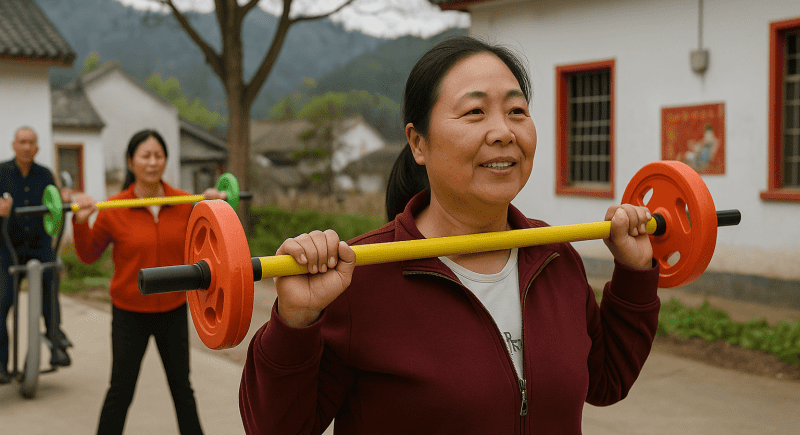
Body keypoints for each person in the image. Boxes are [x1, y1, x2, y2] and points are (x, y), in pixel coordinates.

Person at [239, 36, 660, 434]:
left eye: (517, 111)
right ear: (418, 143)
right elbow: (276, 428)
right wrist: (295, 323)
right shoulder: (358, 278)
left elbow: (606, 381)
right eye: (475, 112)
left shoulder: (554, 256)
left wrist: (635, 272)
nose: (503, 132)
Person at [72, 129, 224, 434]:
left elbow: (212, 246)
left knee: (183, 389)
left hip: (173, 309)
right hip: (129, 313)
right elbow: (88, 255)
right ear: (131, 161)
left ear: (166, 160)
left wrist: (216, 206)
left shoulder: (186, 203)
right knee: (121, 391)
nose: (153, 162)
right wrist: (79, 222)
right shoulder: (113, 209)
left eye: (159, 155)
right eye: (145, 156)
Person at [0, 127, 72, 384]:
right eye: (22, 142)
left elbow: (55, 205)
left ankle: (56, 343)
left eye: (31, 142)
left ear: (37, 147)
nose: (27, 147)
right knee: (2, 298)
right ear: (14, 145)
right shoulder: (1, 172)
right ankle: (0, 364)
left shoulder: (45, 174)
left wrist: (63, 200)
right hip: (7, 245)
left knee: (49, 284)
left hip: (39, 244)